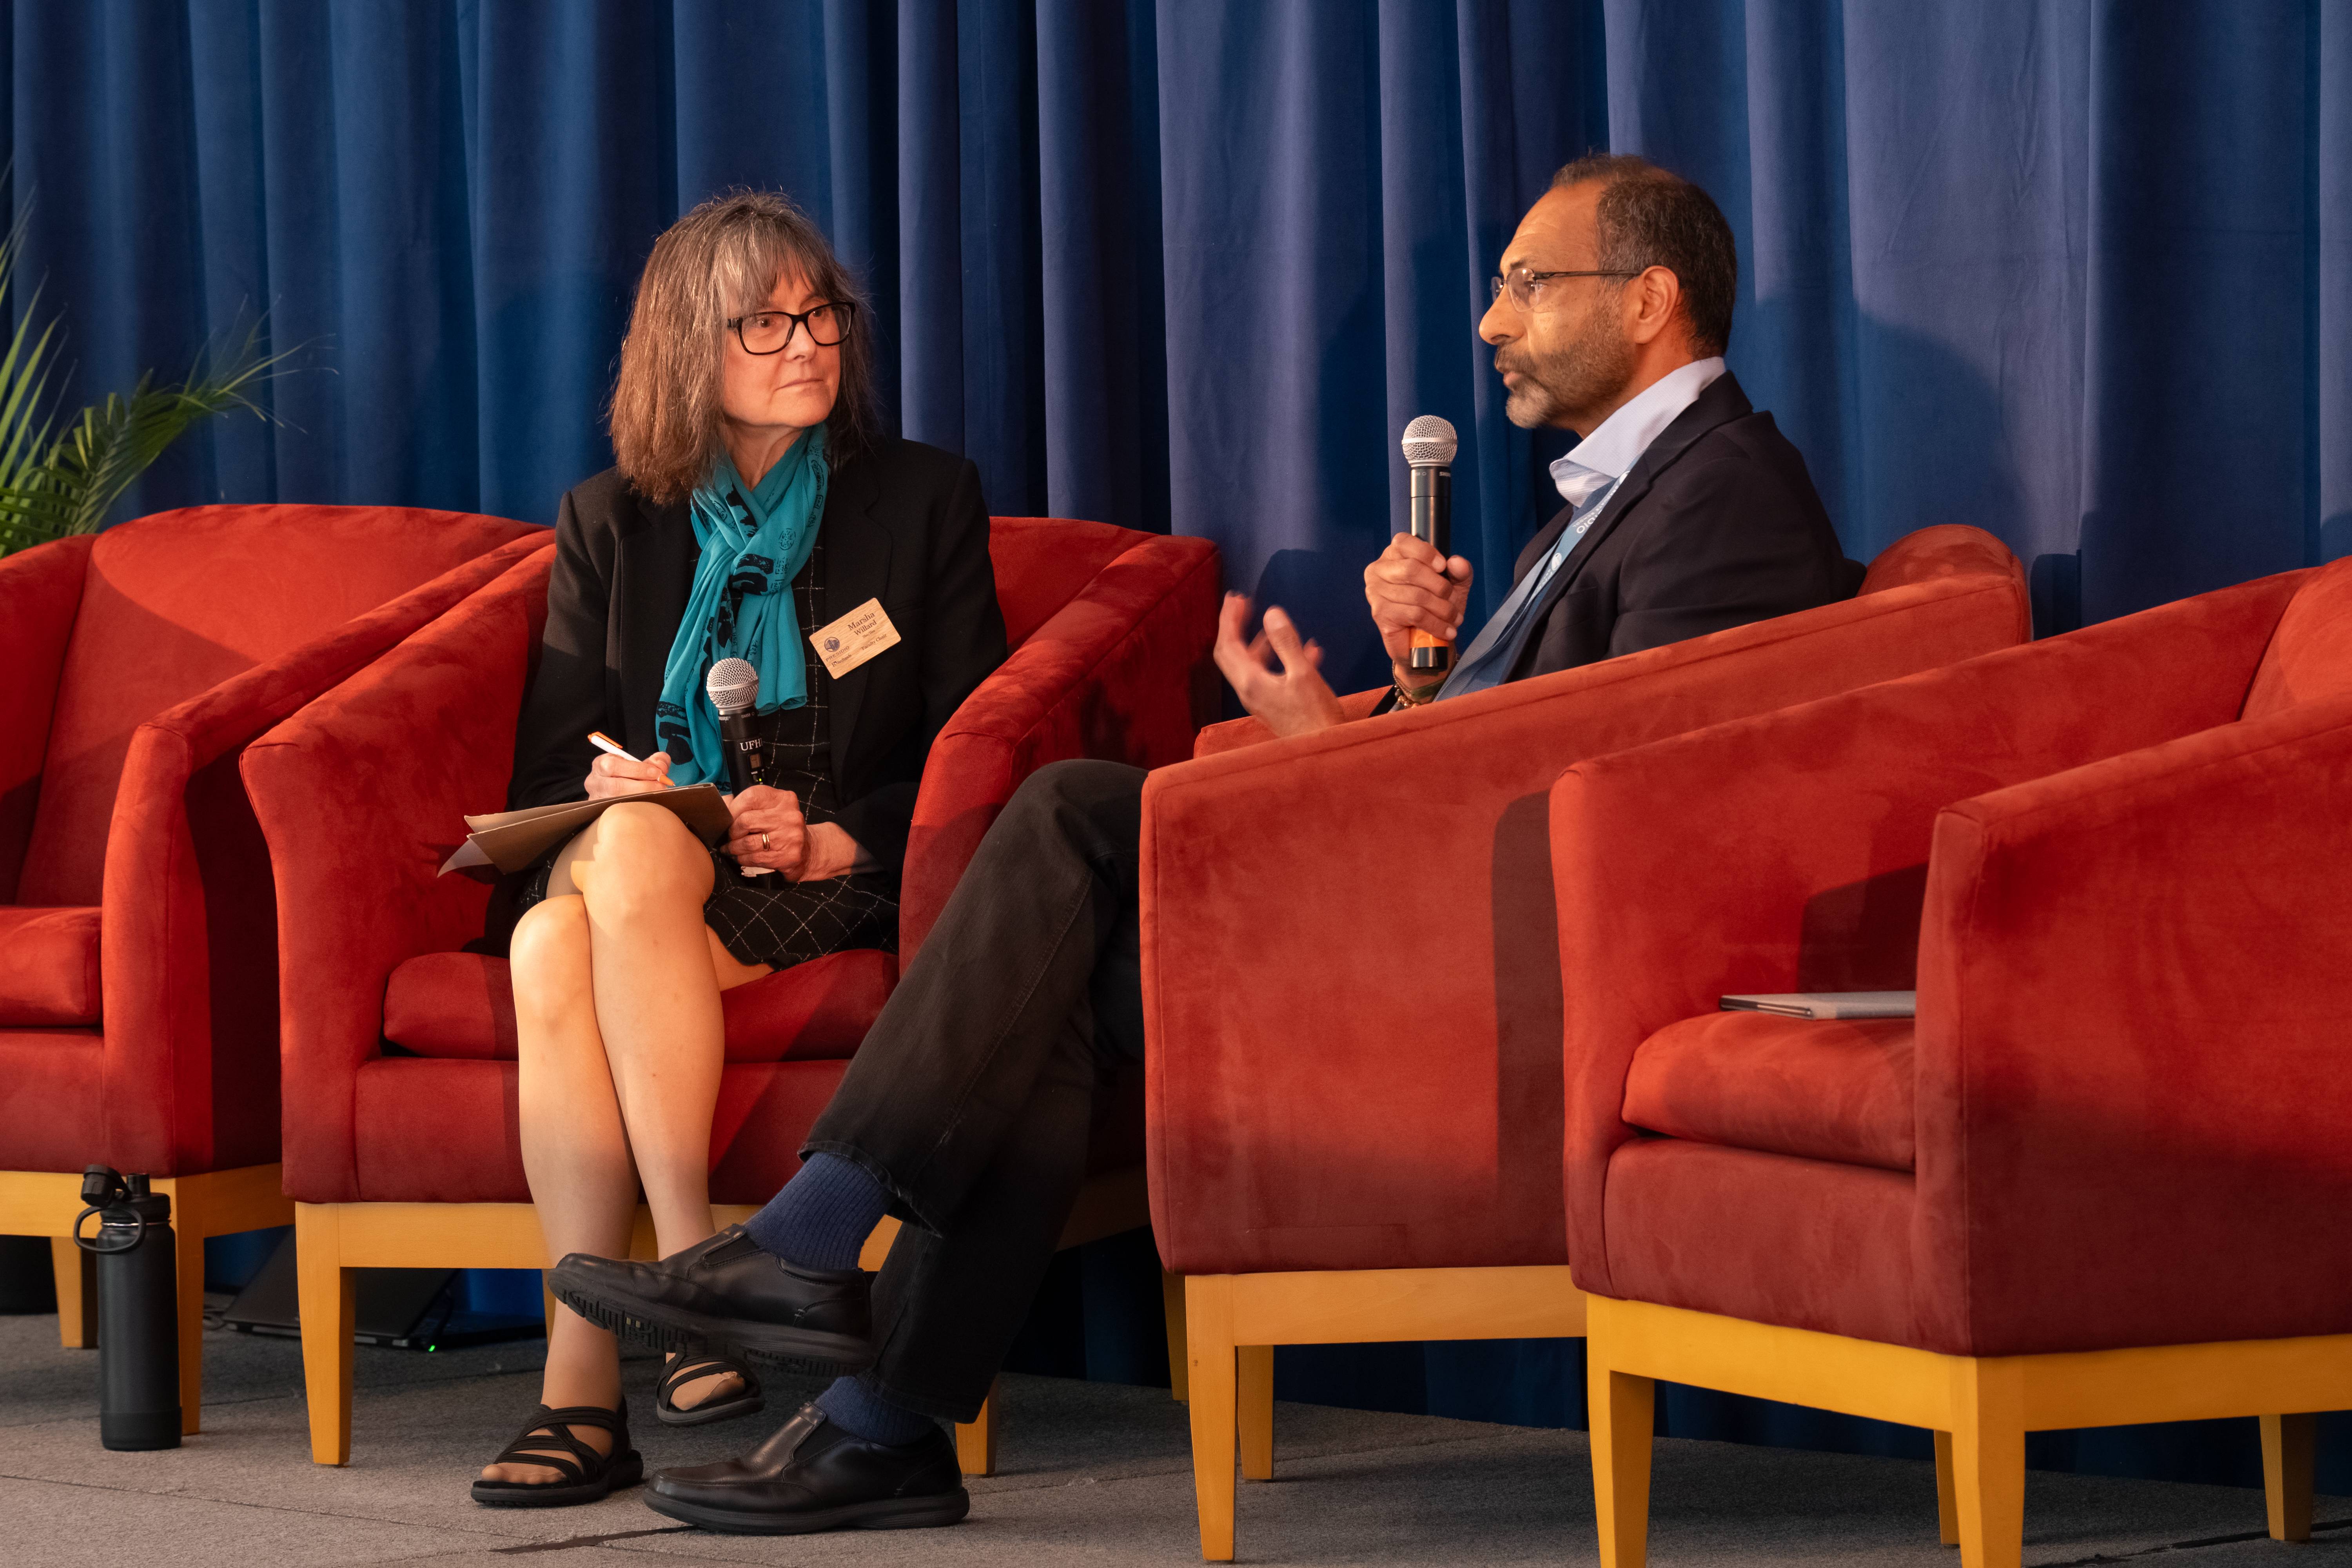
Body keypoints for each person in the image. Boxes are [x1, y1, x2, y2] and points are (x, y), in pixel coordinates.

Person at [550, 154, 1859, 1534]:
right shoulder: (1627, 493)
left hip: (1506, 956)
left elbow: (1635, 809)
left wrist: (1339, 763)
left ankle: (815, 1252)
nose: (1491, 324)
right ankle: (881, 1423)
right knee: (1044, 993)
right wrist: (1380, 710)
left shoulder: (1723, 499)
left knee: (1067, 817)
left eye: (1528, 285)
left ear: (1651, 299)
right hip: (1440, 887)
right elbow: (1543, 754)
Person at [469, 191, 1006, 1508]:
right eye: (763, 325)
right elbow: (547, 769)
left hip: (818, 871)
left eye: (819, 314)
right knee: (613, 866)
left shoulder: (924, 498)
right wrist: (628, 787)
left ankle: (581, 1394)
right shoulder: (612, 522)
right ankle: (701, 1278)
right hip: (659, 867)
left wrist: (833, 838)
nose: (807, 345)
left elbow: (972, 742)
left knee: (556, 945)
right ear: (683, 351)